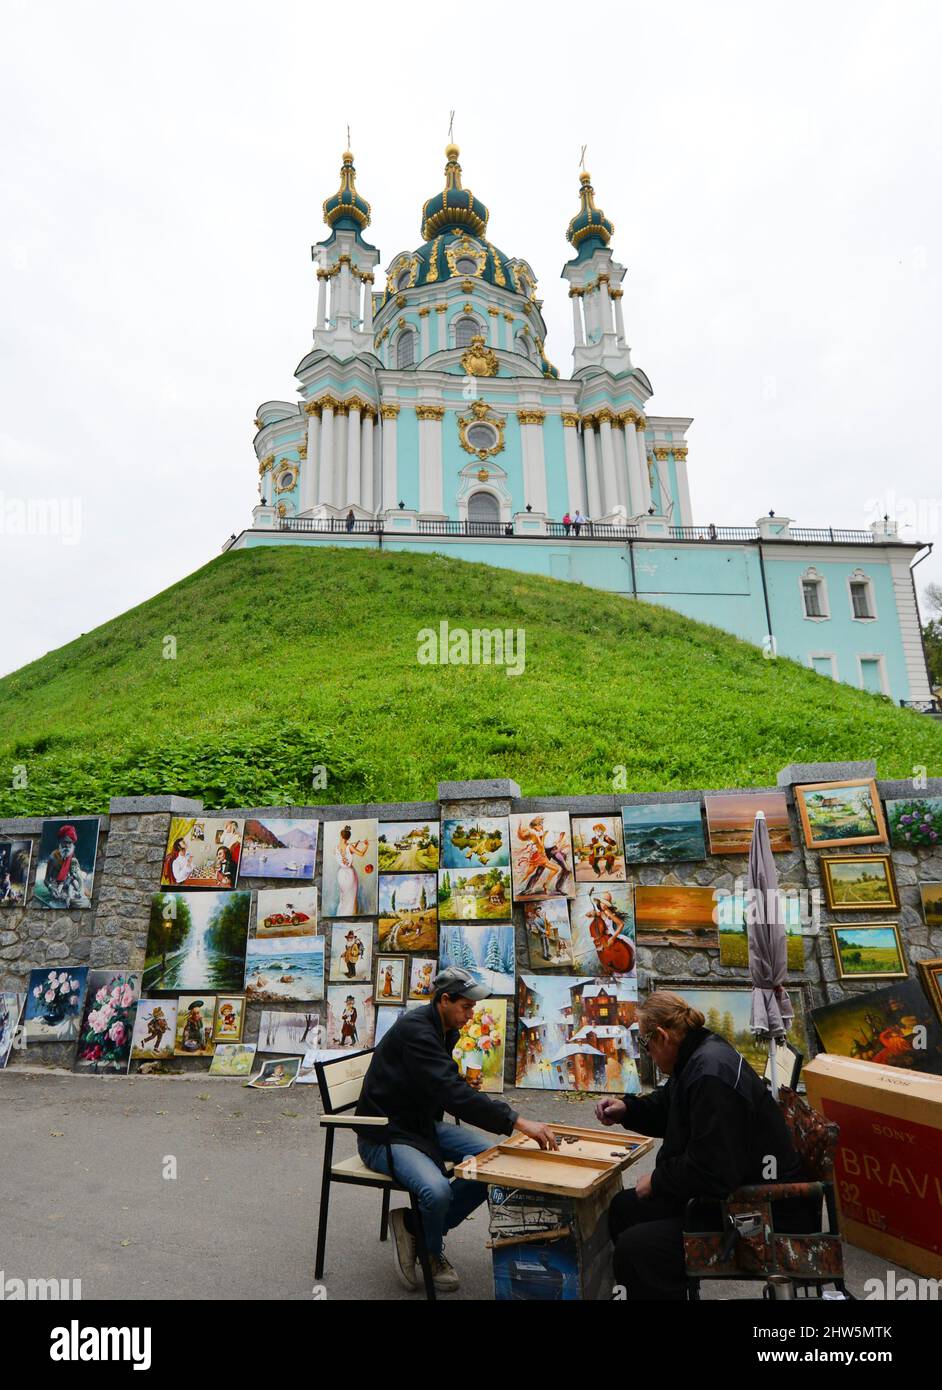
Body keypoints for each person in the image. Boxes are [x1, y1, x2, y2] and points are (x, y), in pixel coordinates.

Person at [596, 991, 814, 1300]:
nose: (648, 1055)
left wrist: (658, 1182)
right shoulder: (696, 1053)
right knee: (624, 1208)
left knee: (637, 1250)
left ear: (661, 1036)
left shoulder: (709, 1074)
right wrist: (627, 1109)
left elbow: (714, 1170)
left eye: (646, 1045)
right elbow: (669, 1106)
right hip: (731, 1189)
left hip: (759, 1210)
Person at [355, 966, 558, 1294]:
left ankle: (412, 1226)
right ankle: (430, 1251)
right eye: (466, 1006)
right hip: (384, 1134)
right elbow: (451, 1093)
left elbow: (444, 1086)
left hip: (421, 1128)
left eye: (473, 1007)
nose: (472, 1013)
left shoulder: (443, 1027)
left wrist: (461, 1089)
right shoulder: (417, 1031)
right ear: (444, 1000)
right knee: (437, 1191)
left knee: (490, 1164)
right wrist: (517, 1122)